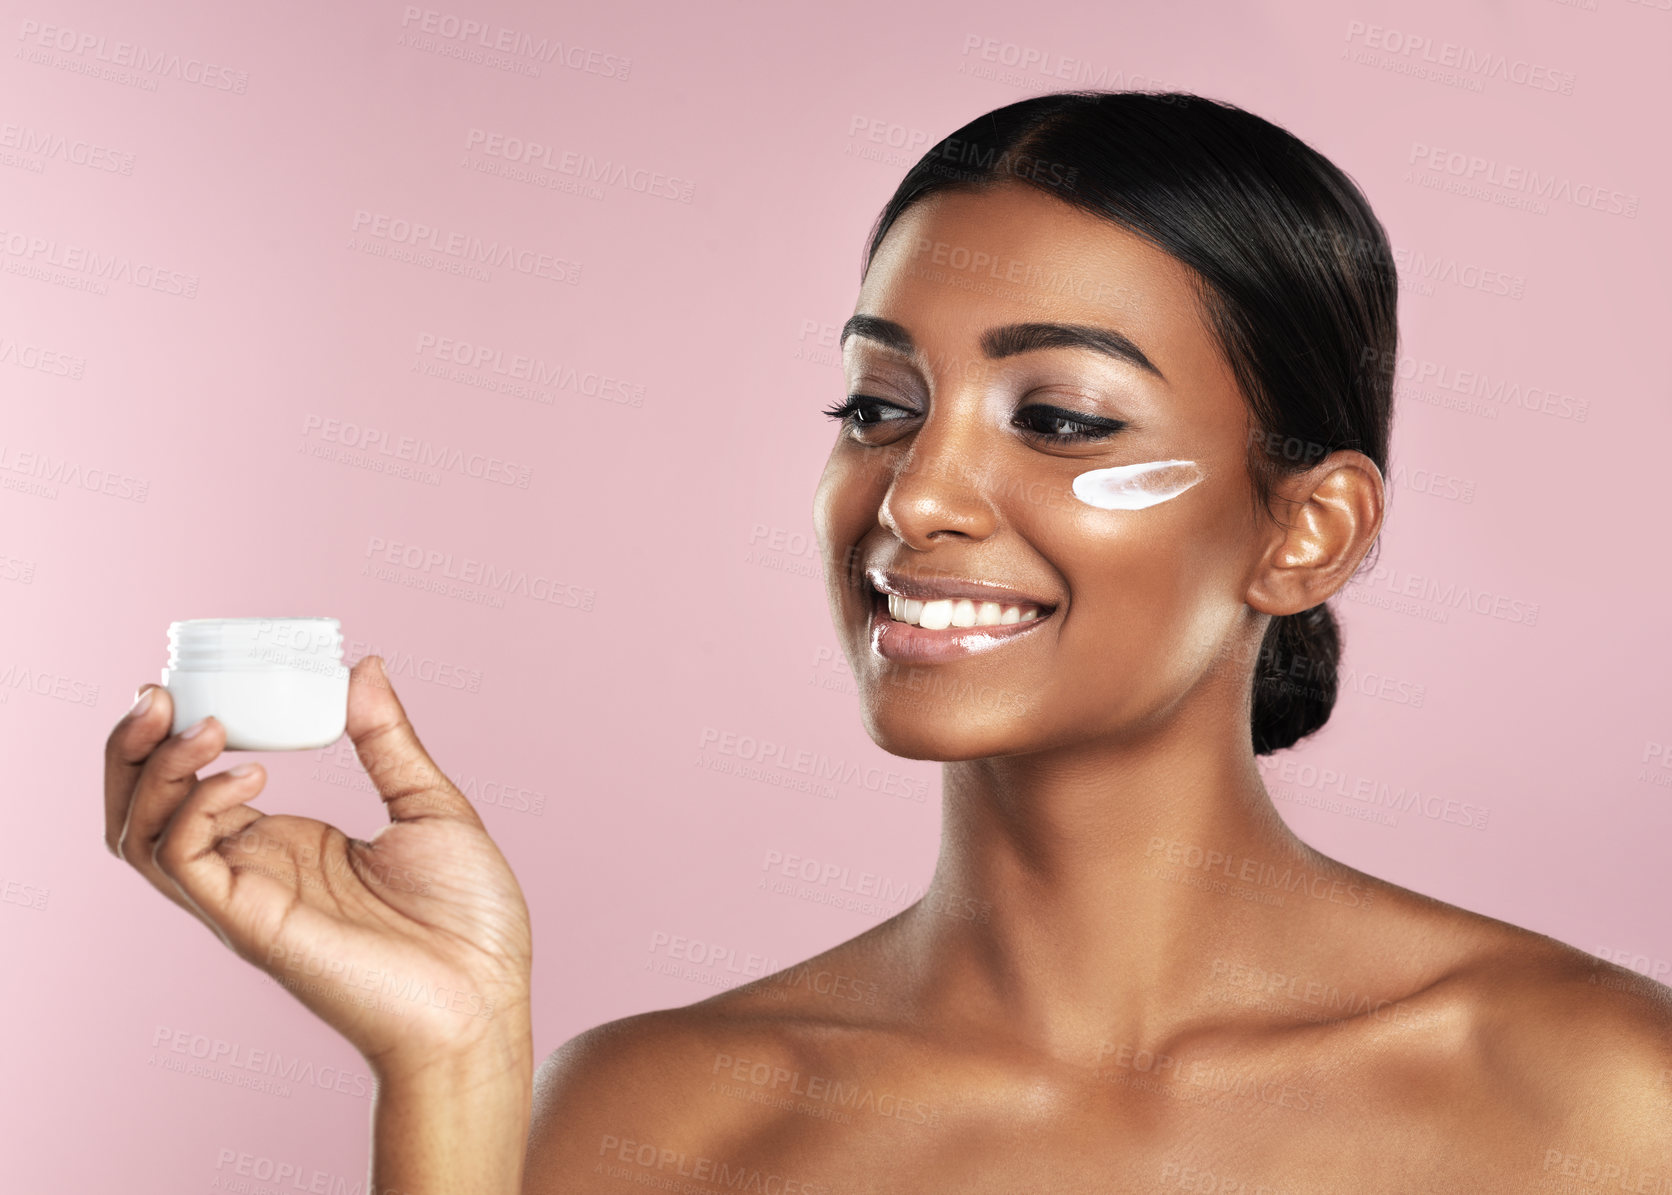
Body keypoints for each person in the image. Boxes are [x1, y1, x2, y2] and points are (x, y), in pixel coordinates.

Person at [105, 90, 1672, 1193]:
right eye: (878, 407)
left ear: (1303, 530)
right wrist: (448, 1067)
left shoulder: (1601, 1092)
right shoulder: (655, 1120)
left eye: (1056, 417)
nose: (915, 495)